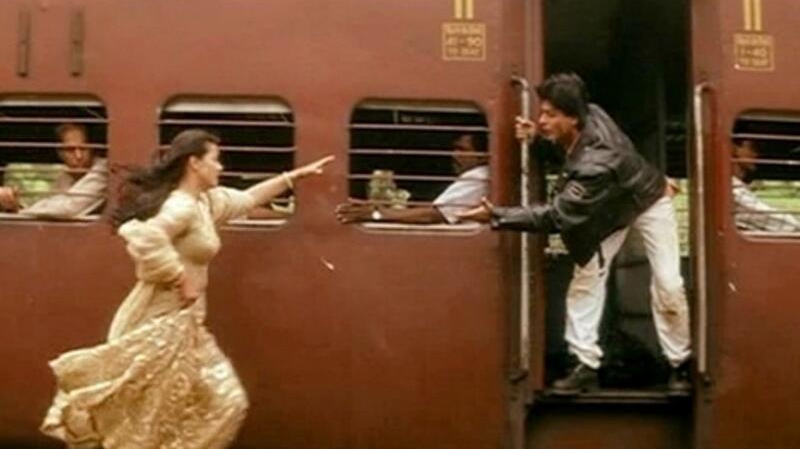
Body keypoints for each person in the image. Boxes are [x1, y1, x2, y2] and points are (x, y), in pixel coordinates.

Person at [40, 129, 333, 448]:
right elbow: (144, 236)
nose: (220, 167)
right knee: (153, 421)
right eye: (215, 160)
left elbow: (248, 199)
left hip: (187, 325)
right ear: (195, 163)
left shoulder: (205, 203)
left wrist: (293, 177)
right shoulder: (181, 206)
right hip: (155, 323)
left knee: (223, 403)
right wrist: (179, 277)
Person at [460, 73, 691, 393]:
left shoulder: (597, 162)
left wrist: (496, 214)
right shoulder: (591, 113)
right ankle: (585, 364)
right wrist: (538, 138)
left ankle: (680, 363)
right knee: (587, 280)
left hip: (647, 201)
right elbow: (571, 151)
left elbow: (558, 215)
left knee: (669, 284)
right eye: (542, 112)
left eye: (550, 115)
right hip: (609, 209)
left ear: (573, 118)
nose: (541, 119)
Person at [335, 133, 489, 224]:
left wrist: (375, 214)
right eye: (454, 149)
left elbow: (435, 215)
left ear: (483, 156)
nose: (454, 155)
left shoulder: (479, 176)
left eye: (462, 150)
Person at [0, 123, 108, 218]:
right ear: (60, 153)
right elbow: (52, 204)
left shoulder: (104, 170)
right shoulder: (66, 177)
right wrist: (17, 207)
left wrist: (21, 213)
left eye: (83, 148)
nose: (78, 156)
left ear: (92, 148)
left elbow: (68, 208)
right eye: (70, 150)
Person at [731, 139, 800, 232]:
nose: (757, 154)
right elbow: (771, 219)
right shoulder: (732, 190)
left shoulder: (737, 187)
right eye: (753, 148)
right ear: (733, 148)